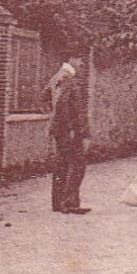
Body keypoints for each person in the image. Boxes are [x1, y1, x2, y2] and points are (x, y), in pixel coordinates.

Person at [48, 58, 90, 214]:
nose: (82, 64)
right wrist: (70, 127)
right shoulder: (67, 78)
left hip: (62, 130)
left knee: (63, 164)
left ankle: (59, 203)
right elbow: (61, 104)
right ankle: (68, 202)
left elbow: (45, 97)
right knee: (78, 165)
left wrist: (53, 120)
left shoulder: (57, 77)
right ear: (71, 59)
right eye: (80, 60)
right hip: (69, 131)